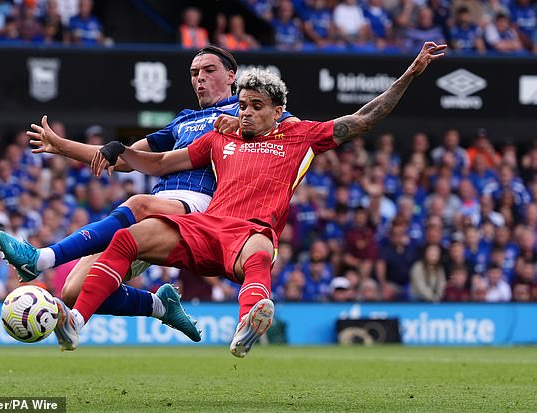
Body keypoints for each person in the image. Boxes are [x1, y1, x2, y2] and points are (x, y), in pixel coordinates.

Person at [50, 42, 447, 357]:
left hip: (248, 235)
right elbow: (159, 163)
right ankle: (76, 322)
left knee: (260, 250)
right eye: (242, 105)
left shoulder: (300, 135)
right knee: (126, 238)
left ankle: (247, 326)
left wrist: (410, 74)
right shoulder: (219, 136)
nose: (245, 113)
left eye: (256, 107)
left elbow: (365, 118)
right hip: (205, 227)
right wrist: (121, 150)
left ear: (278, 110)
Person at [0, 46, 295, 345]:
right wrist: (61, 146)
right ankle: (161, 306)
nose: (199, 78)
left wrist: (244, 127)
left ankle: (40, 259)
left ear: (232, 76)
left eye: (208, 70)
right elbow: (126, 159)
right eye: (194, 73)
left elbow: (291, 127)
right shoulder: (184, 121)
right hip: (161, 207)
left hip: (203, 207)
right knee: (75, 291)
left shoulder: (246, 110)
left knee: (138, 203)